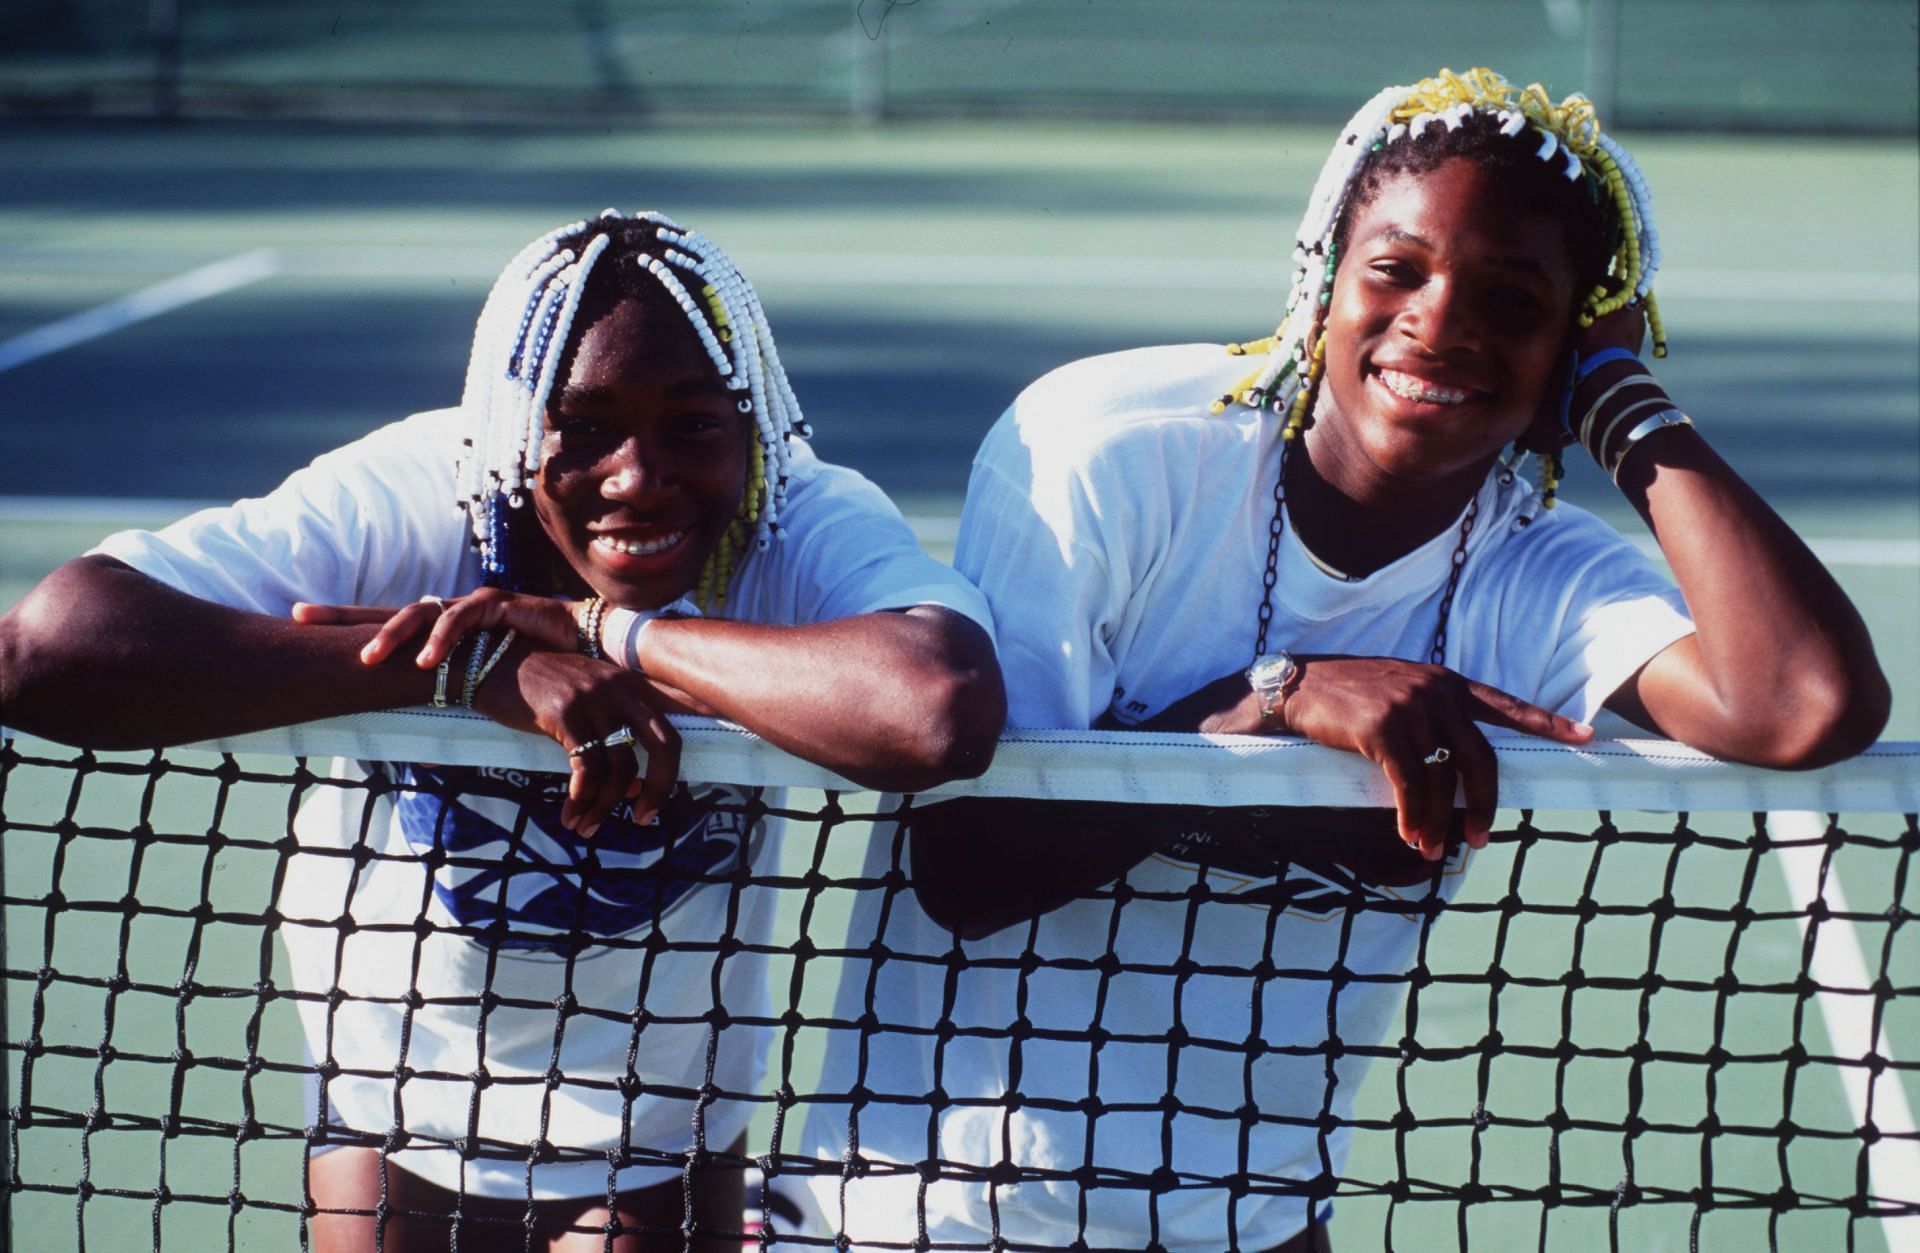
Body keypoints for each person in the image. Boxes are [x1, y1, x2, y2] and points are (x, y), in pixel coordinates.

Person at [787, 69, 1889, 1251]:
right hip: (932, 1216)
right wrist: (1280, 696)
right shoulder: (1108, 456)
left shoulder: (1534, 576)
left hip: (1253, 1227)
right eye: (1397, 269)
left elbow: (1804, 703)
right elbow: (970, 862)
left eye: (1514, 301)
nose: (1443, 320)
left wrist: (1621, 395)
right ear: (1319, 281)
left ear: (1566, 344)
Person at [0, 211, 1006, 1250]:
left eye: (692, 425)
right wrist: (462, 670)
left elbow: (935, 706)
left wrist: (609, 631)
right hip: (396, 1088)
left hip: (660, 1115)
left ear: (749, 427)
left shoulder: (791, 516)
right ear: (517, 426)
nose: (636, 475)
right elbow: (43, 652)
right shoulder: (415, 491)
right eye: (582, 428)